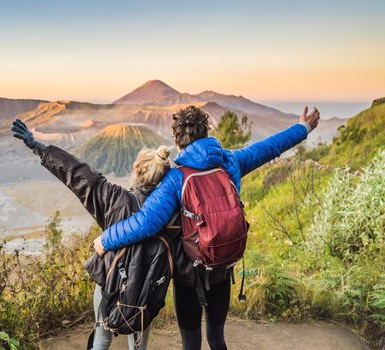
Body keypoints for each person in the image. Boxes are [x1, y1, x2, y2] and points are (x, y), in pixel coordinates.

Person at [93, 105, 321, 350]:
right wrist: (303, 127)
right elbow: (269, 148)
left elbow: (146, 223)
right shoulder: (229, 161)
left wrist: (105, 240)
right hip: (223, 267)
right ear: (206, 132)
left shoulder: (177, 177)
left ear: (176, 139)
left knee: (191, 342)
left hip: (189, 274)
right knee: (216, 338)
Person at [10, 118, 175, 350]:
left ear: (137, 171)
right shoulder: (171, 212)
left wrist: (37, 146)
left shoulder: (115, 199)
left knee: (102, 339)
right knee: (138, 346)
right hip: (145, 293)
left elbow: (77, 172)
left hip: (109, 285)